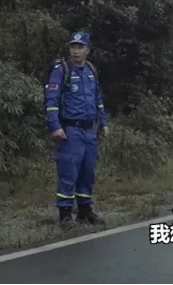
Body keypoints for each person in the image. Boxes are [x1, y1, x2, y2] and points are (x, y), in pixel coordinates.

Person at [45, 32, 110, 227]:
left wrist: (103, 123)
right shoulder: (61, 70)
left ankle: (84, 211)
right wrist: (55, 126)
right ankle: (65, 214)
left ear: (88, 50)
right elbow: (51, 101)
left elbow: (97, 99)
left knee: (87, 172)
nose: (76, 51)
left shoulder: (91, 70)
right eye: (73, 47)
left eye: (80, 47)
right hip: (70, 130)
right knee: (68, 172)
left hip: (89, 131)